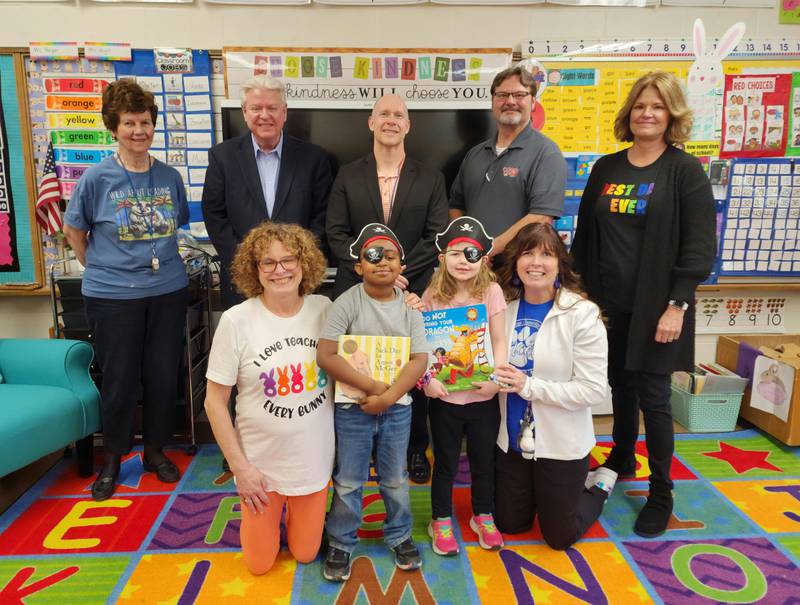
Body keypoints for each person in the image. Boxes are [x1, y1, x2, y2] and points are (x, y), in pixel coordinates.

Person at [571, 71, 716, 538]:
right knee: (619, 386)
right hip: (606, 304)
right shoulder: (606, 168)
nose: (646, 113)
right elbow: (585, 238)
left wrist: (678, 304)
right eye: (639, 106)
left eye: (656, 106)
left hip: (658, 307)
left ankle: (661, 492)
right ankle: (621, 455)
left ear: (671, 114)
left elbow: (698, 246)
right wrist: (576, 294)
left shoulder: (683, 170)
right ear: (628, 114)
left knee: (654, 398)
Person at [63, 79, 189, 501]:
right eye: (131, 123)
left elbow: (178, 226)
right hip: (113, 296)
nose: (140, 131)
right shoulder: (97, 179)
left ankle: (154, 450)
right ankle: (114, 458)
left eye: (147, 122)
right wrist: (100, 266)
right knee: (119, 380)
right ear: (113, 128)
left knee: (161, 375)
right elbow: (74, 230)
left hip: (167, 291)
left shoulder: (169, 176)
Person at [326, 93, 448, 484]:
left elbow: (435, 236)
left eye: (399, 115)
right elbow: (336, 232)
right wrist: (374, 269)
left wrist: (396, 273)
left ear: (408, 125)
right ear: (371, 122)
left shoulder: (430, 177)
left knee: (413, 365)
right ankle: (353, 449)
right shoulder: (348, 174)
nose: (391, 120)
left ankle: (415, 448)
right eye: (384, 114)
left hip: (412, 288)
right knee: (357, 366)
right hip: (357, 289)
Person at [204, 222, 332, 575]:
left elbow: (372, 323)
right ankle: (272, 513)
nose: (280, 270)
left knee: (306, 553)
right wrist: (241, 469)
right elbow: (214, 403)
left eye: (288, 260)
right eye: (268, 263)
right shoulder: (236, 321)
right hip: (260, 467)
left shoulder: (325, 310)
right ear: (254, 270)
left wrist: (405, 298)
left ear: (304, 263)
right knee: (259, 564)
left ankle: (303, 516)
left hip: (312, 463)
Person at [317, 223, 429, 582]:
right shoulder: (346, 301)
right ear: (358, 266)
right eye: (372, 256)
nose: (382, 262)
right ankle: (341, 540)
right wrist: (372, 387)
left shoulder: (411, 308)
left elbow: (419, 360)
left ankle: (399, 533)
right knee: (348, 480)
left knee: (395, 478)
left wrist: (388, 398)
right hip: (353, 409)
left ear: (402, 266)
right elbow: (327, 354)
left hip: (397, 410)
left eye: (390, 255)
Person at [491, 223, 614, 550]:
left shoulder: (581, 314)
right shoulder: (503, 311)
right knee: (509, 525)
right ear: (515, 262)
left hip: (561, 444)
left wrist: (528, 385)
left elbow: (591, 391)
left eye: (546, 254)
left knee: (559, 537)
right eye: (527, 253)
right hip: (514, 440)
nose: (535, 262)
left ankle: (598, 486)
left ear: (560, 264)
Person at [202, 75, 332, 309]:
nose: (264, 115)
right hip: (242, 279)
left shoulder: (314, 159)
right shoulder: (222, 157)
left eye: (272, 108)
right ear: (244, 112)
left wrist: (297, 262)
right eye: (256, 108)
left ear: (284, 112)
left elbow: (322, 215)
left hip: (296, 278)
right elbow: (214, 214)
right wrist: (248, 263)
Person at [418, 217, 507, 556]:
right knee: (445, 462)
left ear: (483, 257)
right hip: (445, 398)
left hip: (483, 395)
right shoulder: (432, 295)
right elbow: (424, 348)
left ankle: (482, 514)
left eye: (471, 253)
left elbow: (499, 340)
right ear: (442, 257)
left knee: (484, 461)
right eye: (455, 252)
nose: (463, 261)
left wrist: (497, 380)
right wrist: (427, 381)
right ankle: (440, 518)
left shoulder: (492, 292)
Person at [449, 65, 567, 259]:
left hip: (518, 272)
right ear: (493, 101)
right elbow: (456, 205)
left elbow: (541, 217)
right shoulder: (475, 154)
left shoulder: (546, 154)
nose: (510, 101)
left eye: (519, 95)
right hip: (473, 268)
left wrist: (489, 250)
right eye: (502, 95)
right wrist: (465, 246)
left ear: (533, 102)